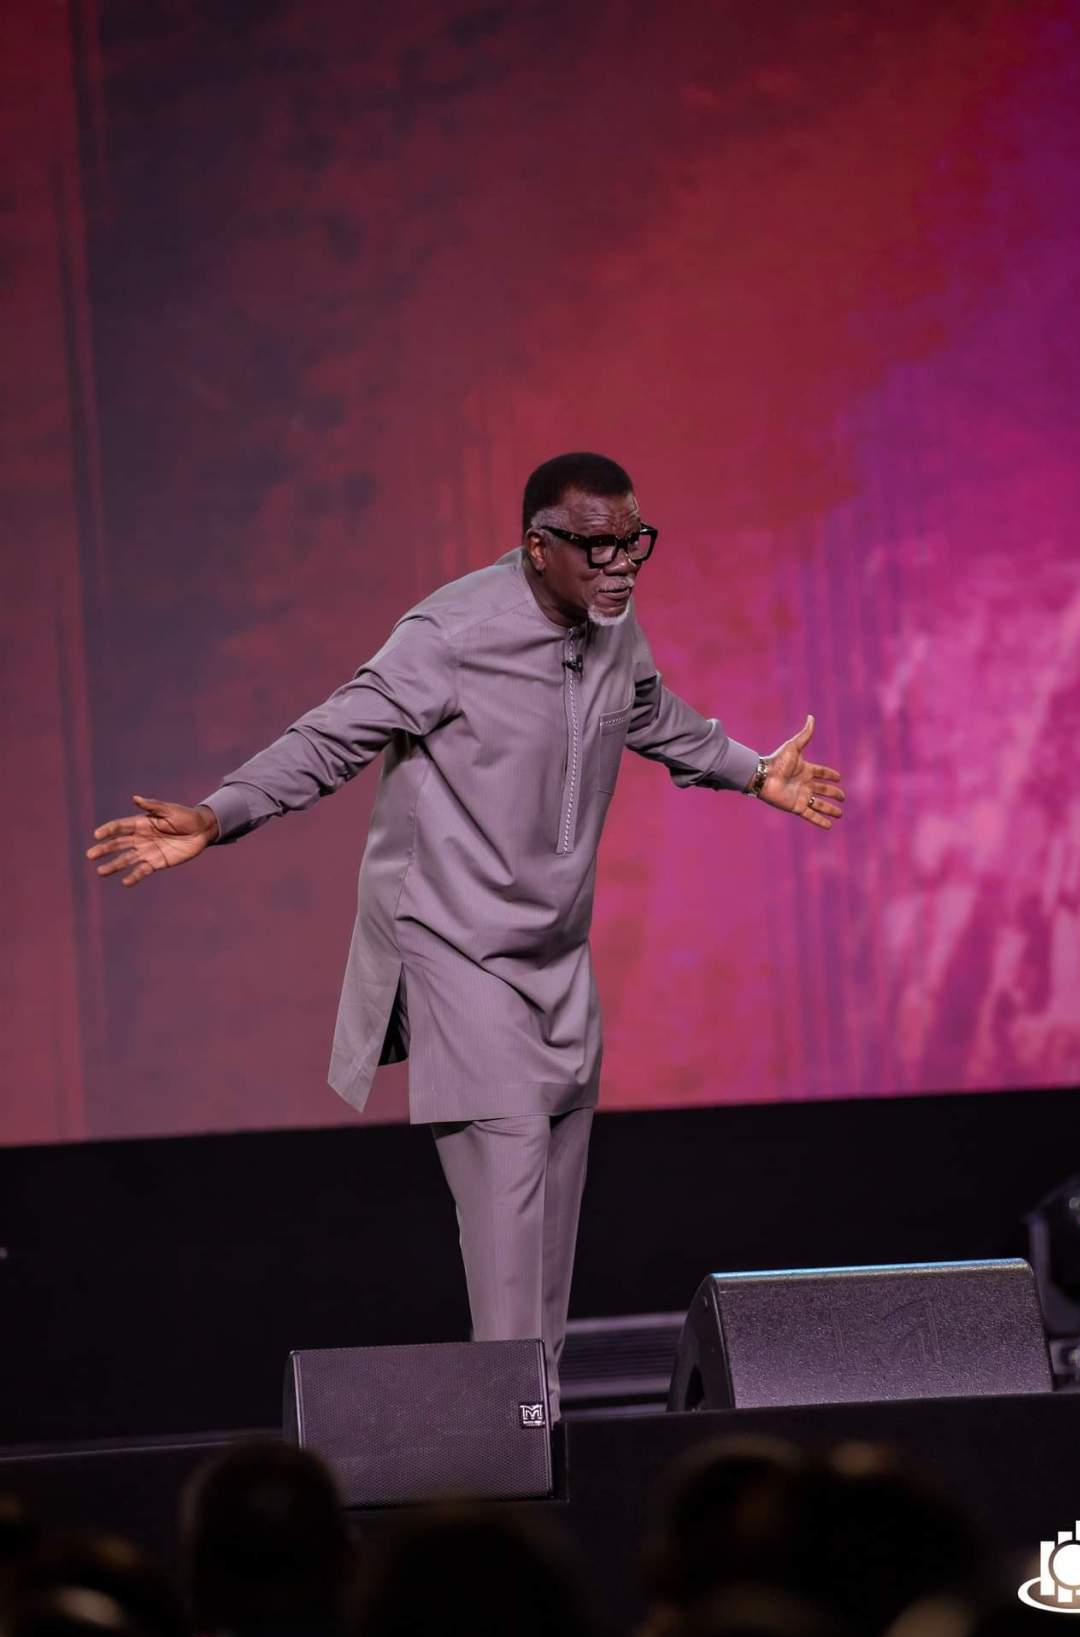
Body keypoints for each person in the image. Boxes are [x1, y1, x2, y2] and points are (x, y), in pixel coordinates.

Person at [87, 452, 845, 1422]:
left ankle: (538, 1425)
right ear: (537, 546)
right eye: (597, 546)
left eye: (633, 543)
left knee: (552, 1226)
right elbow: (331, 737)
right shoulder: (450, 635)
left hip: (556, 956)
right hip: (455, 948)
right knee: (507, 1201)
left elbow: (649, 712)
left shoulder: (612, 623)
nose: (620, 564)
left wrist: (752, 771)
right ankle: (511, 1435)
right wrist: (217, 814)